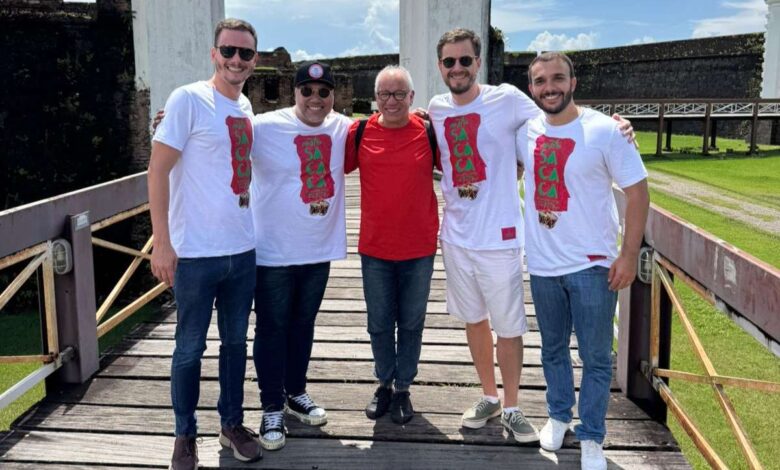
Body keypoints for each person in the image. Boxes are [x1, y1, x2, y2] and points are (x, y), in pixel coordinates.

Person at [427, 28, 634, 445]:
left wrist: (615, 125)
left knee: (508, 326)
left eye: (465, 60)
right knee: (474, 319)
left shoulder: (506, 98)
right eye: (449, 61)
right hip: (456, 234)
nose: (457, 68)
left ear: (478, 63)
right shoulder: (434, 107)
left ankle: (512, 406)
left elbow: (556, 108)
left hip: (501, 235)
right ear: (440, 66)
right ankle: (489, 397)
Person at [516, 52, 649, 470]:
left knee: (595, 357)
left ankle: (592, 435)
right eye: (540, 81)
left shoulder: (606, 130)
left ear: (573, 82)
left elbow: (638, 192)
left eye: (558, 78)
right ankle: (559, 416)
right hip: (543, 264)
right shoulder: (526, 130)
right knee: (553, 349)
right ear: (531, 88)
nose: (549, 87)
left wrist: (629, 254)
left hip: (592, 264)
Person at [148, 18, 263, 470]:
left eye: (245, 53)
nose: (236, 59)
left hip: (242, 249)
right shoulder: (188, 99)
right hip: (195, 253)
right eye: (228, 51)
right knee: (189, 348)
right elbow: (157, 170)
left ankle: (231, 424)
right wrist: (162, 242)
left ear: (254, 60)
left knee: (235, 344)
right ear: (214, 54)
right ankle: (184, 434)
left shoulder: (246, 106)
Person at [250, 61, 352, 450]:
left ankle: (295, 392)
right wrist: (166, 126)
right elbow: (216, 140)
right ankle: (270, 406)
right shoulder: (263, 126)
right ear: (294, 92)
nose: (315, 98)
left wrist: (421, 116)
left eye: (323, 92)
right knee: (272, 329)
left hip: (316, 250)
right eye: (306, 91)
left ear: (333, 96)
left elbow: (387, 128)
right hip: (272, 252)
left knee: (303, 324)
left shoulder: (342, 127)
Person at [344, 65, 439, 425]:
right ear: (375, 97)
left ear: (412, 97)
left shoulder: (428, 132)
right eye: (385, 94)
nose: (392, 101)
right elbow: (321, 154)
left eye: (400, 94)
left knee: (412, 322)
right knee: (379, 322)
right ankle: (384, 382)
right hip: (376, 247)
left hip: (419, 247)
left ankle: (403, 387)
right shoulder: (360, 131)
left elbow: (467, 160)